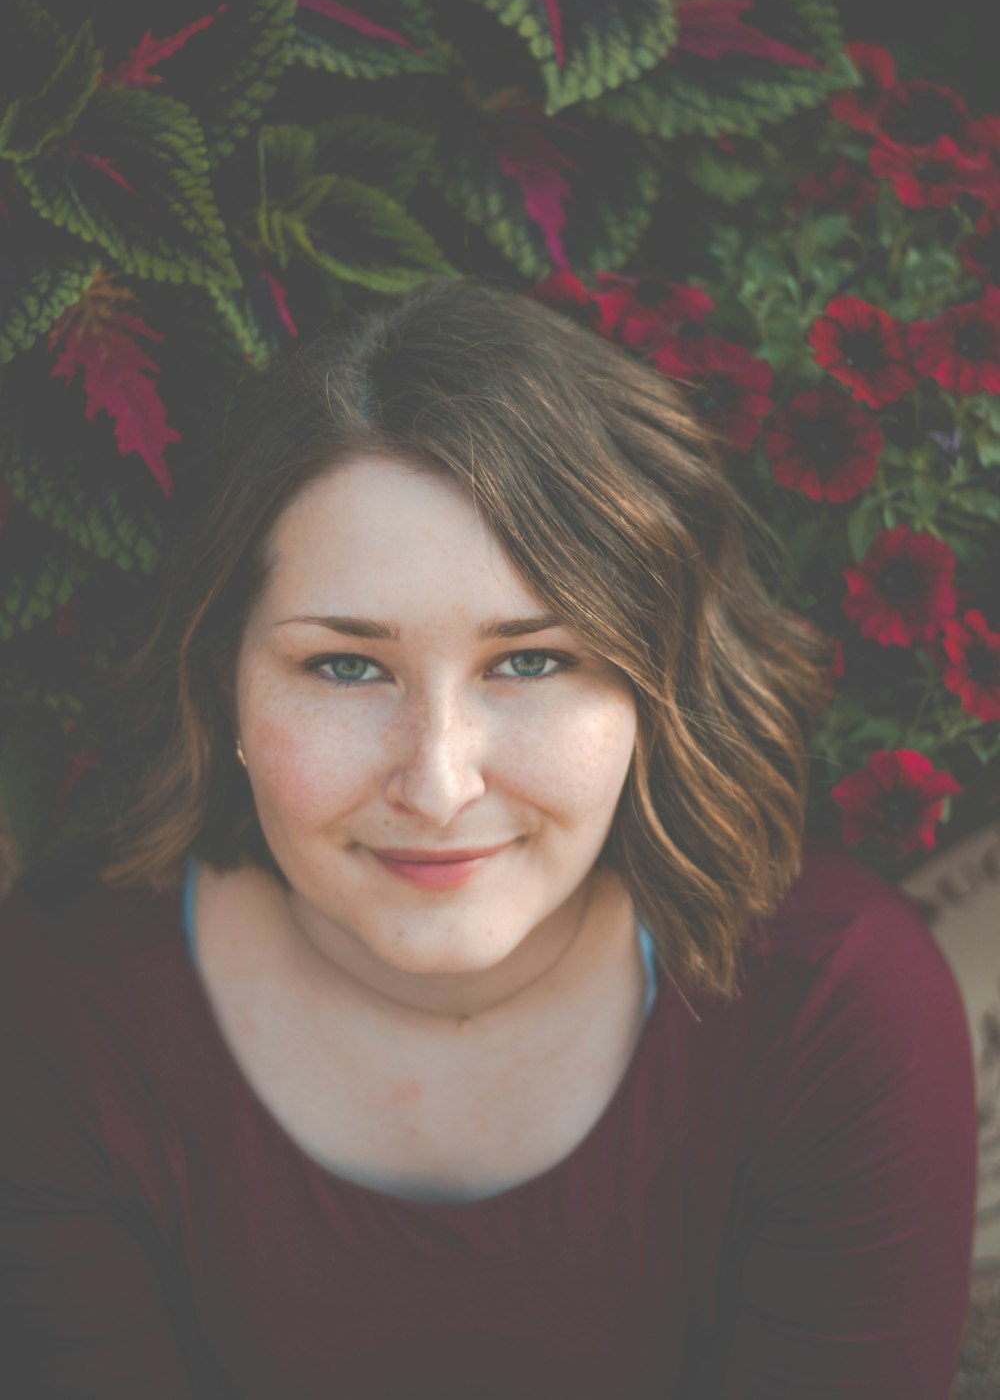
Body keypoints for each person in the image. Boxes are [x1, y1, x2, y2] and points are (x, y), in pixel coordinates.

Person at [0, 276, 978, 1398]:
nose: (438, 781)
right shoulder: (63, 1017)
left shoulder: (831, 1007)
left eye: (531, 661)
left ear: (655, 685)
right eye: (345, 666)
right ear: (221, 683)